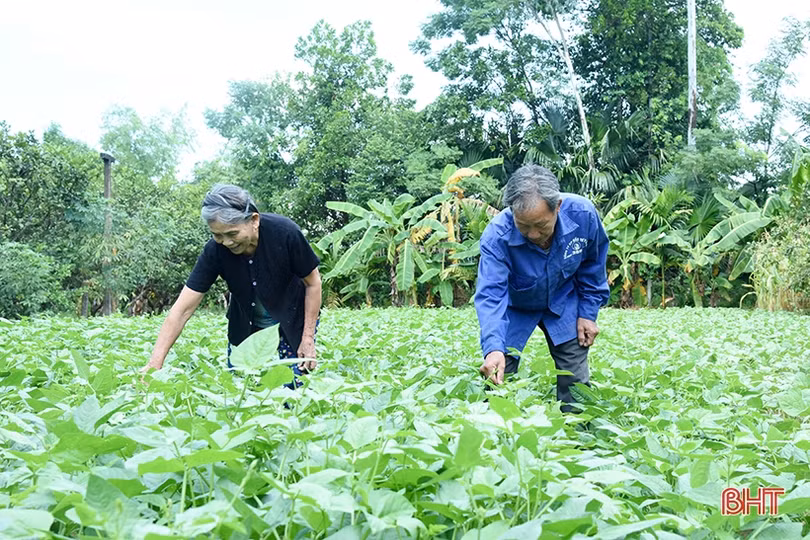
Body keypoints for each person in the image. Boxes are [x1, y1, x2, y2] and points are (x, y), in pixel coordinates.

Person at [141, 184, 322, 379]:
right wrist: (154, 364)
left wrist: (308, 337)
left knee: (293, 391)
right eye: (217, 235)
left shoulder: (285, 233)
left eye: (232, 234)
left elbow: (313, 283)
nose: (226, 242)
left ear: (254, 220)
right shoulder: (215, 251)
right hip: (245, 327)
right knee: (242, 394)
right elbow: (182, 309)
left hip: (293, 323)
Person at [474, 165, 609, 412]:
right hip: (515, 306)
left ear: (557, 206)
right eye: (523, 226)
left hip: (563, 299)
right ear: (512, 211)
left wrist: (588, 313)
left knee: (576, 381)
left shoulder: (583, 215)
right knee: (498, 375)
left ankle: (578, 439)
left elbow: (593, 265)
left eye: (541, 225)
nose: (534, 234)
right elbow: (491, 294)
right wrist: (493, 347)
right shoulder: (497, 236)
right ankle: (491, 434)